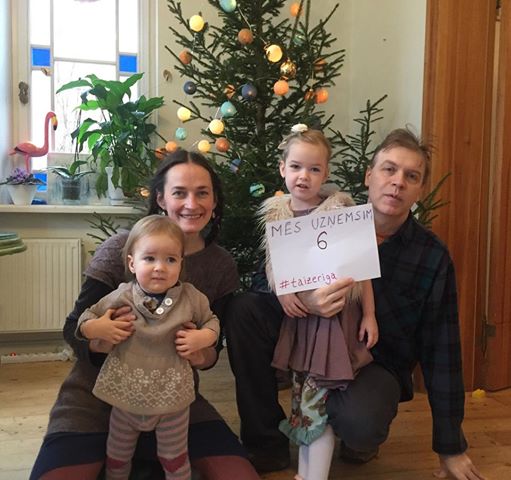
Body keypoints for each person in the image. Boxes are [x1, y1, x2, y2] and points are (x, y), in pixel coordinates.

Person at [225, 128, 485, 480]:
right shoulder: (325, 218)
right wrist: (305, 300)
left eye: (411, 176)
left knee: (360, 423)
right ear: (369, 176)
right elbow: (264, 280)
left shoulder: (431, 256)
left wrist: (450, 446)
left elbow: (443, 348)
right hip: (307, 336)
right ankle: (266, 442)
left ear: (420, 189)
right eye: (389, 170)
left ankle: (355, 434)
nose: (398, 182)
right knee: (244, 310)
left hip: (375, 360)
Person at [30, 150, 260, 480]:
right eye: (179, 192)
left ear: (214, 201)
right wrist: (98, 337)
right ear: (161, 198)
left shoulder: (220, 265)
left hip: (172, 399)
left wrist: (202, 350)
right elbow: (74, 328)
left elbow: (212, 348)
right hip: (96, 397)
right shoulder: (122, 248)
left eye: (202, 193)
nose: (191, 204)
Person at [258, 124, 378, 480]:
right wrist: (283, 291)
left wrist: (370, 314)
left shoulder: (339, 210)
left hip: (334, 325)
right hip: (303, 324)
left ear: (325, 174)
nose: (303, 176)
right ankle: (306, 473)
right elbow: (274, 267)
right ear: (283, 168)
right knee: (303, 400)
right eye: (296, 167)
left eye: (314, 169)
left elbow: (362, 269)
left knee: (317, 404)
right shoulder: (277, 215)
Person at [77, 215, 220, 479]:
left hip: (172, 399)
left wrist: (203, 338)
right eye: (149, 258)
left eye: (170, 260)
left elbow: (212, 322)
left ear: (181, 263)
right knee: (117, 456)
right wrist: (98, 329)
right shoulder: (122, 296)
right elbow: (85, 318)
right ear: (132, 263)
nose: (159, 268)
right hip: (126, 396)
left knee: (174, 459)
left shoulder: (191, 298)